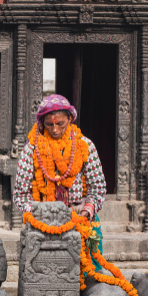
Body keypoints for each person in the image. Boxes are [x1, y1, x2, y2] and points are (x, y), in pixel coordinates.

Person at [13, 94, 106, 270]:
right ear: (42, 123)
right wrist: (36, 216)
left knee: (89, 273)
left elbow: (98, 188)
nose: (55, 129)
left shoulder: (85, 146)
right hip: (42, 219)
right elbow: (20, 194)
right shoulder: (31, 149)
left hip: (79, 217)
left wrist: (86, 212)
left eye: (60, 124)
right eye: (49, 124)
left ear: (70, 119)